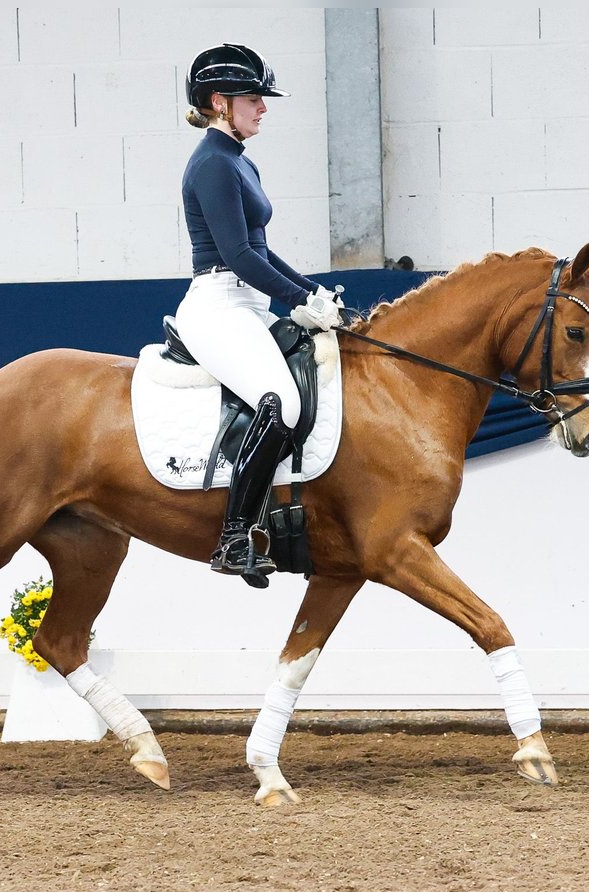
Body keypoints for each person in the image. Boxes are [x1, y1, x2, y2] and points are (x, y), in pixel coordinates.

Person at [175, 43, 344, 587]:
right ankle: (233, 537)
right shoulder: (211, 164)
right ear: (220, 103)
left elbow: (262, 252)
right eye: (254, 98)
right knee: (280, 402)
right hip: (219, 305)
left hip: (247, 302)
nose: (264, 108)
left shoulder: (239, 161)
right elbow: (240, 256)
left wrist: (314, 293)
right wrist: (299, 301)